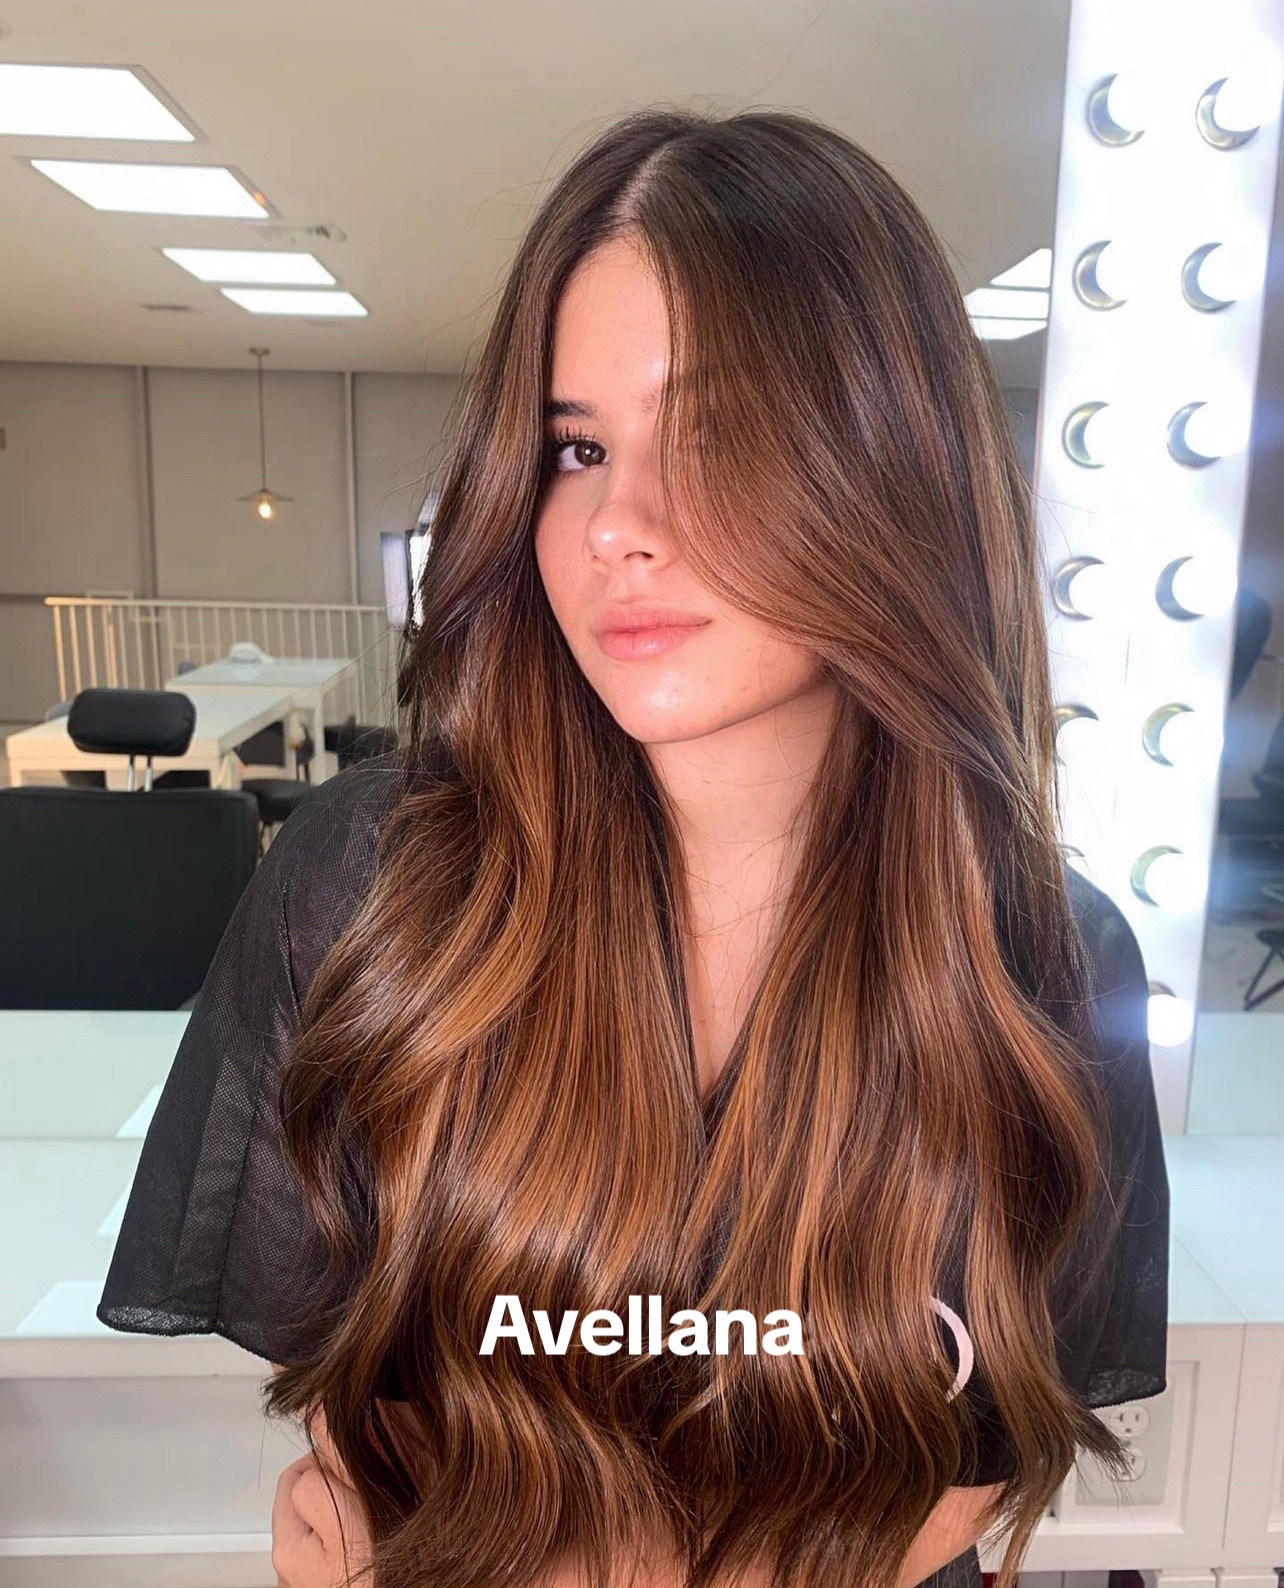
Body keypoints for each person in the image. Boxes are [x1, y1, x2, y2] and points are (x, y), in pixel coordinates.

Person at [97, 106, 1169, 1588]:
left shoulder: (1044, 954)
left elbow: (975, 1455)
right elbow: (354, 1405)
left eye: (718, 438)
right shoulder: (369, 890)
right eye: (577, 447)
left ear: (894, 472)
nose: (617, 523)